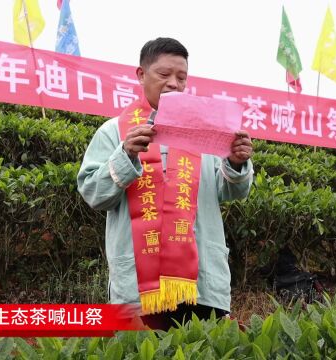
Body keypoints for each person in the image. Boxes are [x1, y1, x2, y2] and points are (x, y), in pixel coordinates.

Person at [77, 37, 254, 331]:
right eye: (164, 74)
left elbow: (233, 191)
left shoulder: (207, 132)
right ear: (141, 74)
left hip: (202, 283)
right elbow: (93, 193)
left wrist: (236, 162)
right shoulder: (114, 131)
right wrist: (126, 154)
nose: (173, 83)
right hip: (139, 286)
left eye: (181, 77)